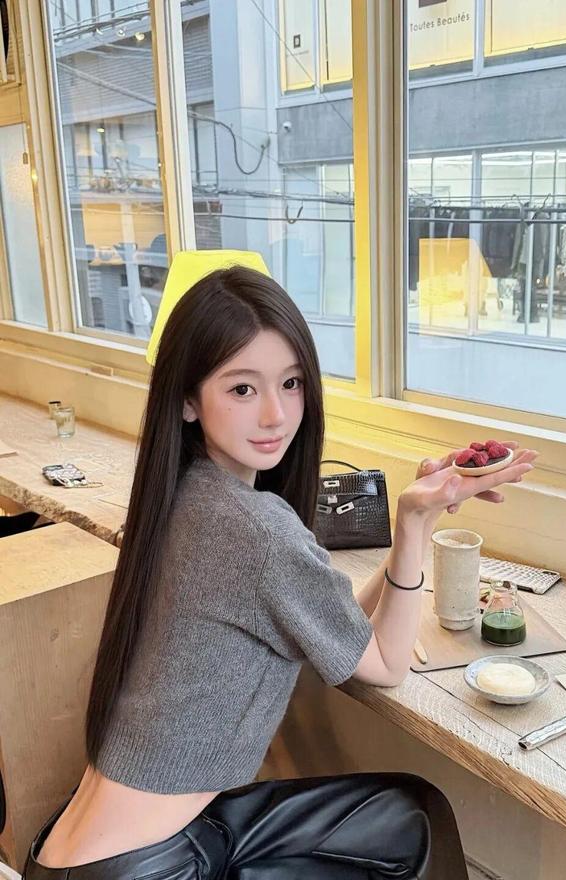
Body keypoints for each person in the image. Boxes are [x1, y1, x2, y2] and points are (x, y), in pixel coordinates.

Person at [24, 267, 536, 880]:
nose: (275, 414)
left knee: (410, 815)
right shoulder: (256, 529)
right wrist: (412, 525)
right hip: (146, 866)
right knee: (415, 822)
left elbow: (335, 628)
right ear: (187, 399)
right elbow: (385, 665)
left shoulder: (184, 492)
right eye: (242, 389)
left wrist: (416, 523)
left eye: (291, 383)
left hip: (83, 849)